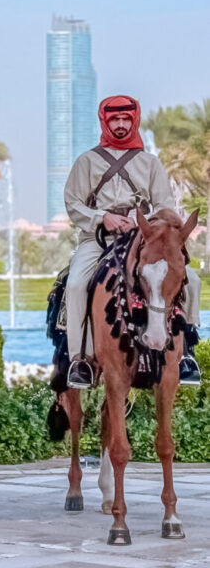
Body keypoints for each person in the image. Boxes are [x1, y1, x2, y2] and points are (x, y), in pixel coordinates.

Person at [64, 94, 202, 388]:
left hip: (144, 239)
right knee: (76, 284)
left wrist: (146, 223)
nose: (122, 124)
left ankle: (187, 351)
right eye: (115, 119)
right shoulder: (86, 161)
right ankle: (80, 359)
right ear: (105, 121)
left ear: (134, 120)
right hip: (98, 239)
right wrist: (103, 217)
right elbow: (73, 203)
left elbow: (165, 206)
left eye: (127, 119)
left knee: (193, 280)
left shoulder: (150, 163)